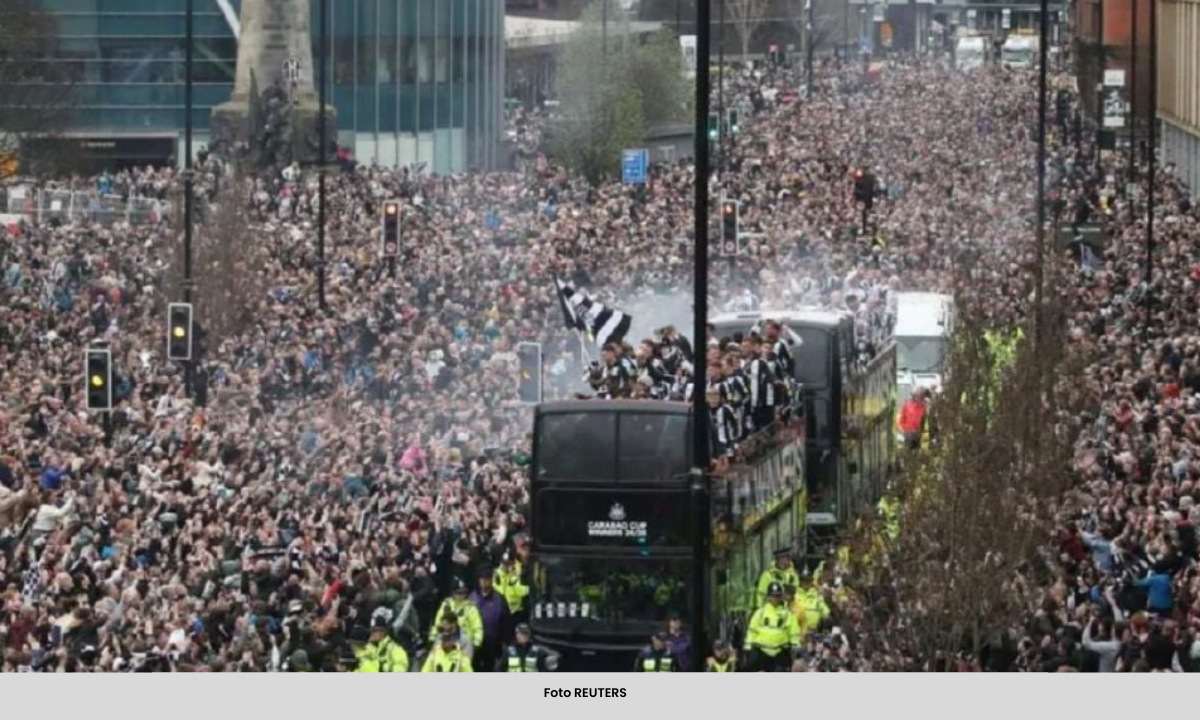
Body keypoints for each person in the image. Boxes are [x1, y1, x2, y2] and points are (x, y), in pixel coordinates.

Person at [744, 582, 801, 672]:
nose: (775, 598)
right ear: (768, 597)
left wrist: (795, 645)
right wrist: (748, 647)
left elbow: (794, 632)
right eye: (773, 596)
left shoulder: (787, 614)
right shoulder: (760, 613)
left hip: (780, 652)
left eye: (777, 596)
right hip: (762, 652)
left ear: (781, 596)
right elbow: (752, 631)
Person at [469, 565, 510, 671]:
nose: (484, 582)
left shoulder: (499, 599)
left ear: (491, 580)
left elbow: (506, 622)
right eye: (481, 579)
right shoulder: (471, 597)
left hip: (492, 643)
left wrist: (503, 642)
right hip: (475, 643)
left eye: (487, 579)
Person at [430, 577, 484, 649]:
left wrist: (476, 644)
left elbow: (477, 627)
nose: (462, 595)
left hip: (464, 645)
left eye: (464, 593)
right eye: (459, 593)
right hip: (446, 644)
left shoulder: (470, 607)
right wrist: (432, 638)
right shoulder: (446, 604)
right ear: (453, 593)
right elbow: (438, 623)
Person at [493, 552, 529, 623]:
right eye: (504, 563)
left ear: (513, 564)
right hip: (500, 610)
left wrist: (513, 578)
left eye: (508, 564)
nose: (505, 566)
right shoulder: (496, 574)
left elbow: (524, 592)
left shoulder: (518, 574)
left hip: (515, 610)